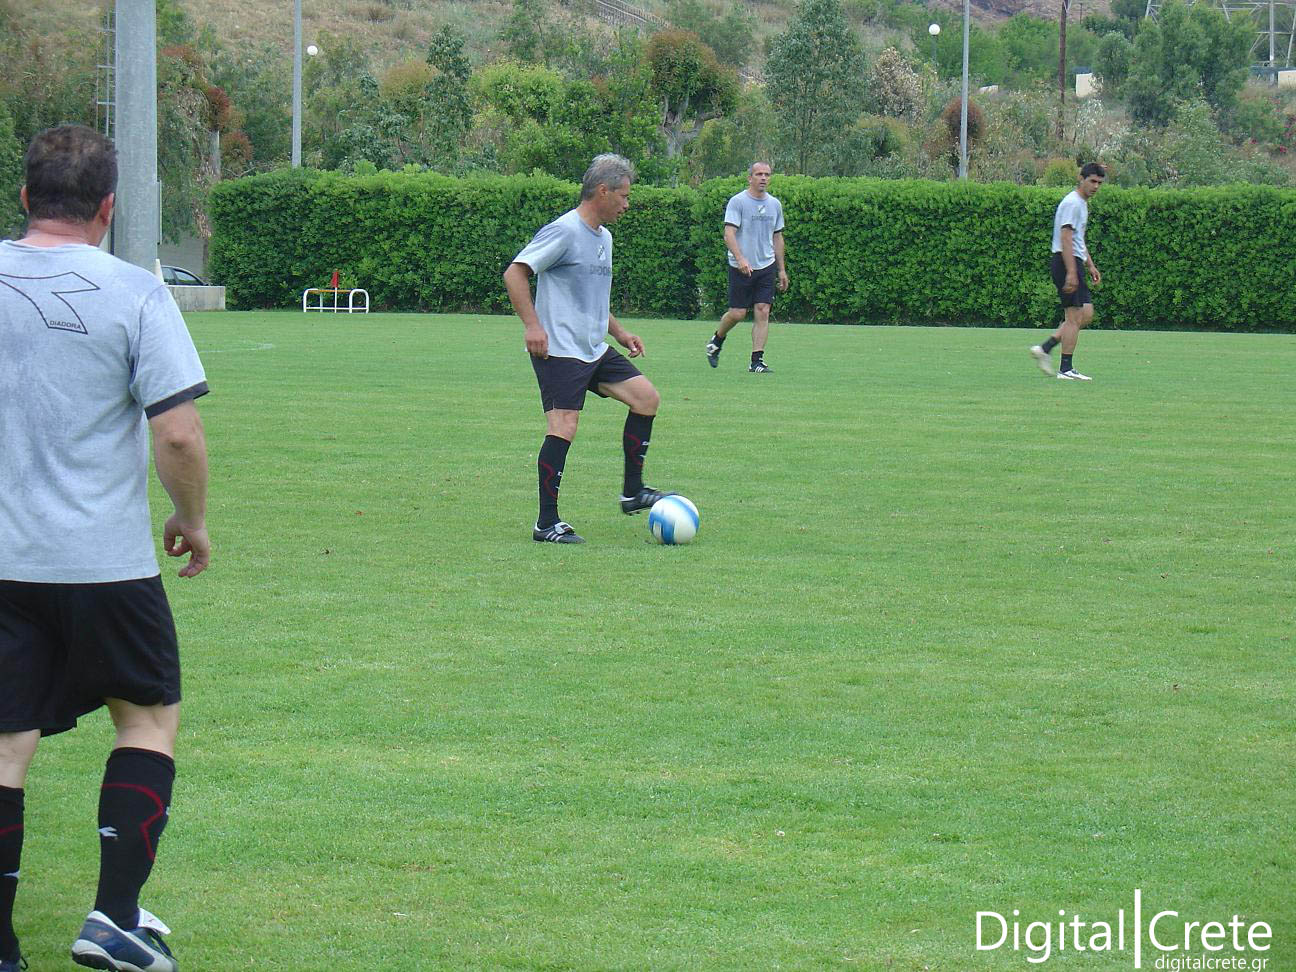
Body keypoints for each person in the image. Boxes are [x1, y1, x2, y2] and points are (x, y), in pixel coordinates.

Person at [0, 125, 210, 972]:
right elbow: (179, 434)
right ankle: (114, 919)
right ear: (108, 208)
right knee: (147, 719)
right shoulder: (136, 292)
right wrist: (192, 520)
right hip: (105, 561)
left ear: (25, 197)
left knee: (5, 744)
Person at [503, 154, 673, 544]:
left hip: (593, 348)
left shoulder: (604, 238)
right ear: (602, 191)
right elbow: (515, 272)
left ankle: (633, 492)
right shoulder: (564, 231)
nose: (627, 204)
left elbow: (591, 298)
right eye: (624, 196)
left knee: (646, 398)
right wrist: (532, 325)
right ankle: (546, 523)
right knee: (563, 426)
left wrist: (619, 332)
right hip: (559, 349)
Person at [705, 162, 789, 373]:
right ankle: (717, 340)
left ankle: (756, 361)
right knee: (738, 313)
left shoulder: (774, 204)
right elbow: (729, 234)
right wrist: (740, 258)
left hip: (766, 265)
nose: (763, 178)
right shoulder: (738, 202)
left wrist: (781, 269)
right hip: (740, 267)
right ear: (750, 178)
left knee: (763, 310)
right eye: (759, 174)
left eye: (767, 174)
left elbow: (777, 237)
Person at [1030, 162, 1106, 380]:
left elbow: (1078, 239)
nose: (1096, 186)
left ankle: (1046, 348)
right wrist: (1072, 272)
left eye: (1099, 183)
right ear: (1081, 179)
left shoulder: (1081, 204)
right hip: (1066, 262)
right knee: (1073, 317)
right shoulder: (1073, 203)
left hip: (1074, 261)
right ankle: (1066, 369)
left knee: (1086, 314)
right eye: (1092, 181)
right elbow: (1066, 237)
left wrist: (1090, 264)